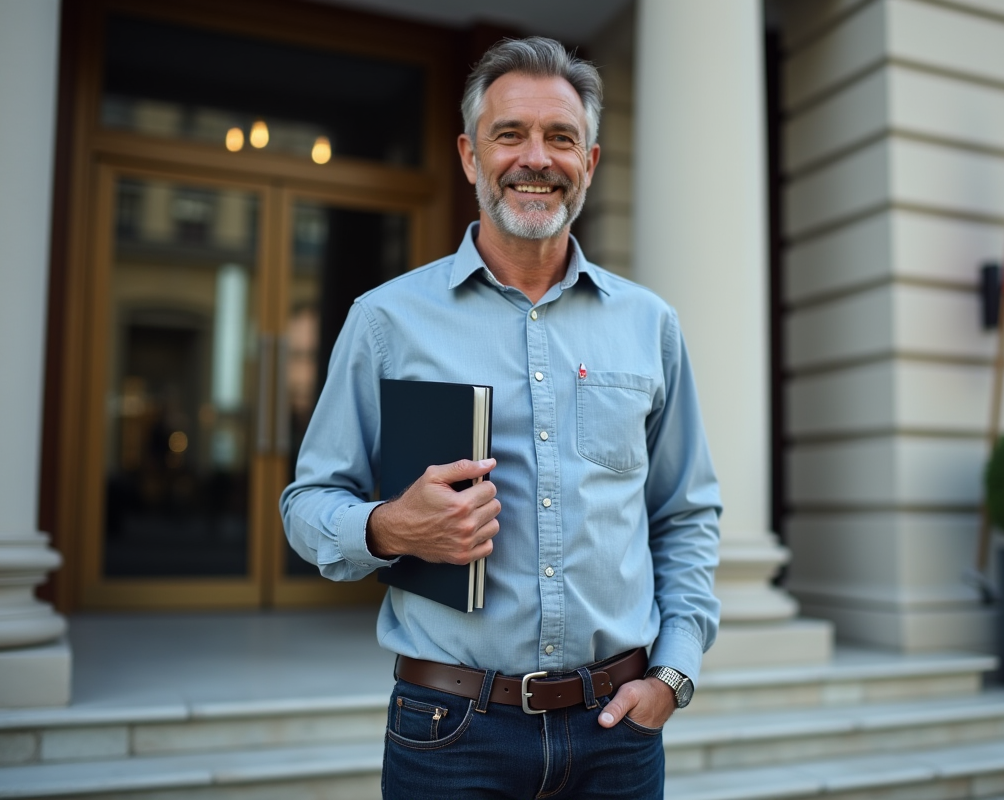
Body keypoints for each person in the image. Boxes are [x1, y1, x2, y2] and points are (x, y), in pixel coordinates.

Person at [280, 36, 721, 799]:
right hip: (449, 733)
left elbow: (684, 513)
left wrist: (673, 673)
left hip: (617, 734)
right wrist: (390, 527)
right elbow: (306, 504)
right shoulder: (386, 320)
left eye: (561, 138)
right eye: (510, 134)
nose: (535, 159)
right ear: (469, 155)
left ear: (590, 161)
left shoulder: (650, 325)